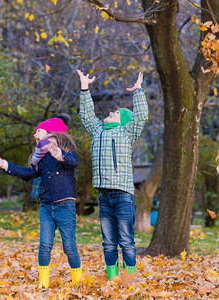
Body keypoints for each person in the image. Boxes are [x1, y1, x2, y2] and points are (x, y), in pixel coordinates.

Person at [0, 114, 82, 288]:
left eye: (38, 131)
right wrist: (5, 165)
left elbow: (73, 163)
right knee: (45, 245)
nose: (34, 135)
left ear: (49, 131)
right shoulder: (41, 156)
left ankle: (78, 282)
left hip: (64, 204)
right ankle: (43, 284)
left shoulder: (66, 148)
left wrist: (58, 152)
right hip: (46, 205)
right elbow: (29, 173)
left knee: (69, 246)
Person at [76, 70, 148, 280]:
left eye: (116, 113)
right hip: (104, 197)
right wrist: (84, 87)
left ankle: (129, 280)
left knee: (126, 241)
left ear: (124, 121)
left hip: (123, 196)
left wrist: (139, 92)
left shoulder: (127, 132)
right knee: (108, 243)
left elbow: (141, 116)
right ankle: (112, 279)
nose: (110, 112)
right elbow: (86, 115)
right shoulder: (98, 130)